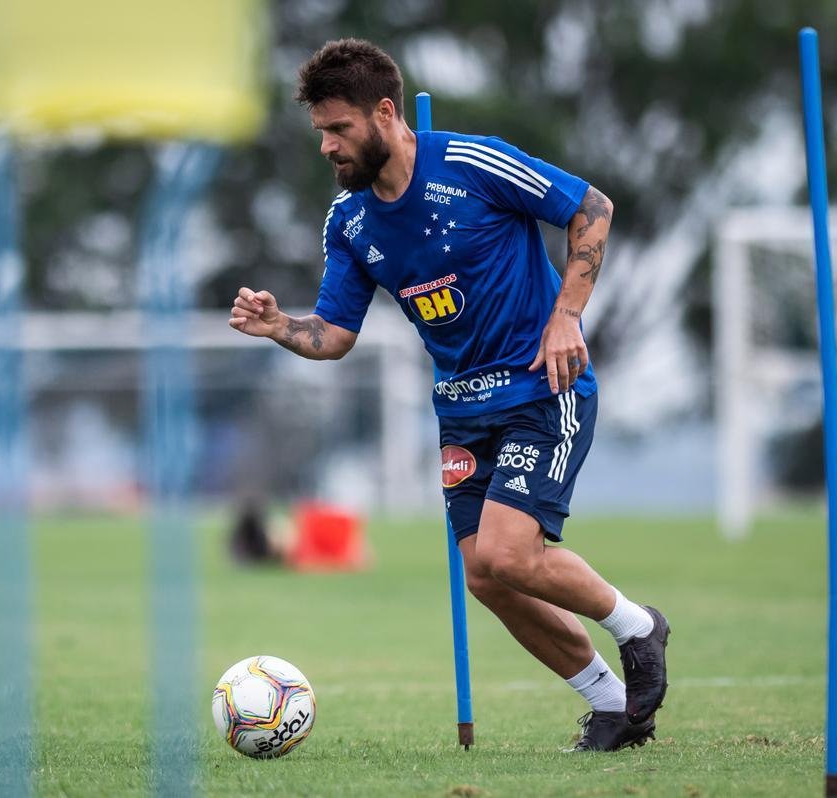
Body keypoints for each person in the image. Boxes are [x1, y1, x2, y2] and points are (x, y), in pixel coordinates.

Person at [228, 38, 669, 752]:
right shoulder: (350, 221)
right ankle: (613, 704)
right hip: (461, 413)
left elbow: (592, 206)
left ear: (384, 113)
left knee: (508, 554)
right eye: (320, 133)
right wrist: (281, 327)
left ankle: (637, 627)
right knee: (487, 578)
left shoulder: (470, 163)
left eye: (338, 129)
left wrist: (566, 316)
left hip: (541, 387)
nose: (327, 147)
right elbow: (335, 334)